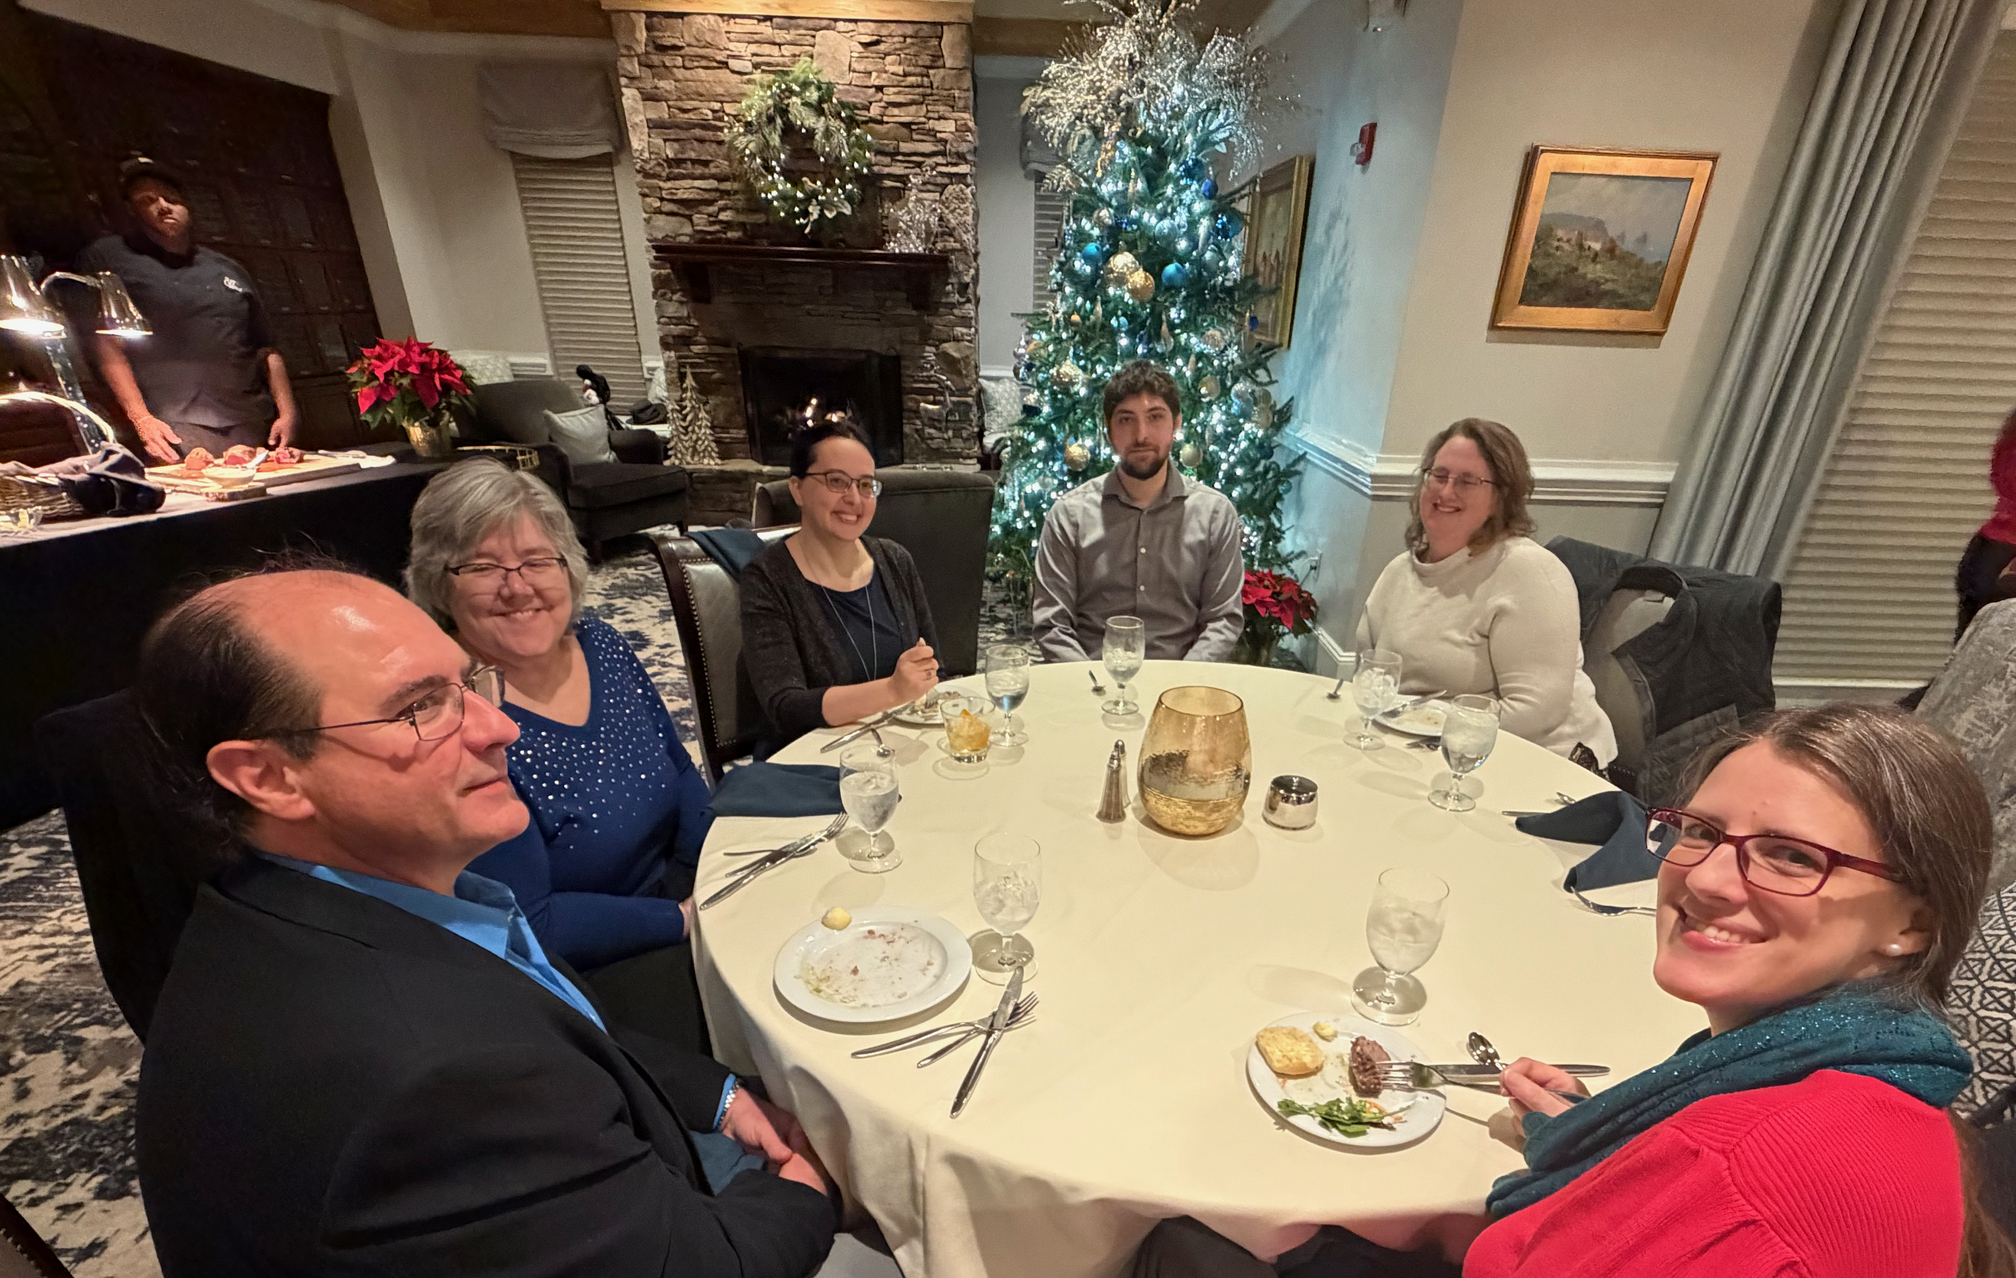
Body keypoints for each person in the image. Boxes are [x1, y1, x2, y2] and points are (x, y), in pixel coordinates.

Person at [1134, 703, 2016, 1278]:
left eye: (1792, 857)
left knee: (1177, 1240)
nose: (1705, 880)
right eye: (1700, 831)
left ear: (1913, 923)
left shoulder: (1750, 1188)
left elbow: (1719, 1201)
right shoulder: (1876, 1085)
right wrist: (1598, 1136)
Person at [129, 567, 836, 1277]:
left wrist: (716, 1094)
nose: (501, 728)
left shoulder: (319, 898)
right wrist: (820, 1178)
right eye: (421, 707)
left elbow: (552, 1021)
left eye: (470, 684)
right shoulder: (438, 1082)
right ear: (270, 778)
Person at [404, 458, 714, 1050]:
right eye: (483, 566)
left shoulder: (602, 644)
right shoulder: (461, 718)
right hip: (588, 969)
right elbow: (532, 921)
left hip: (678, 895)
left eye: (537, 561)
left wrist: (722, 866)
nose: (517, 586)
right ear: (440, 582)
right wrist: (683, 920)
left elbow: (678, 766)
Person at [1357, 418, 1614, 768]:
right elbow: (1373, 675)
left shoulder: (1529, 572)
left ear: (1500, 498)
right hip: (1421, 750)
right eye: (1439, 475)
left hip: (1538, 764)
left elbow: (1536, 713)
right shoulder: (1400, 571)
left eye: (1467, 481)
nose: (1446, 492)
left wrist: (1433, 739)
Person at [75, 156, 296, 462]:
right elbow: (106, 345)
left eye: (172, 198)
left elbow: (267, 347)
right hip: (172, 427)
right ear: (131, 210)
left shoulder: (226, 267)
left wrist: (287, 414)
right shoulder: (109, 258)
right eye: (148, 200)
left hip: (252, 420)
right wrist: (141, 419)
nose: (164, 206)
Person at [741, 417, 941, 747]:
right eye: (837, 481)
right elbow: (785, 708)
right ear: (797, 489)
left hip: (900, 747)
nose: (854, 498)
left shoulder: (895, 560)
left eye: (866, 485)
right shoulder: (767, 578)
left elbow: (936, 669)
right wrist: (892, 690)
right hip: (814, 762)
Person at [1032, 360, 1244, 663]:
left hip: (1181, 682)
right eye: (1126, 420)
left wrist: (1179, 690)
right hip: (1091, 679)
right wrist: (1091, 686)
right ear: (1108, 431)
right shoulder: (1069, 516)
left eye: (1155, 417)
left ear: (1176, 424)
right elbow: (1052, 625)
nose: (1141, 434)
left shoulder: (1215, 514)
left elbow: (1222, 620)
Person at [1955, 407, 2016, 639]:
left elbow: (1999, 480)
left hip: (1987, 550)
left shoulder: (2011, 435)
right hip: (2007, 557)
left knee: (1971, 647)